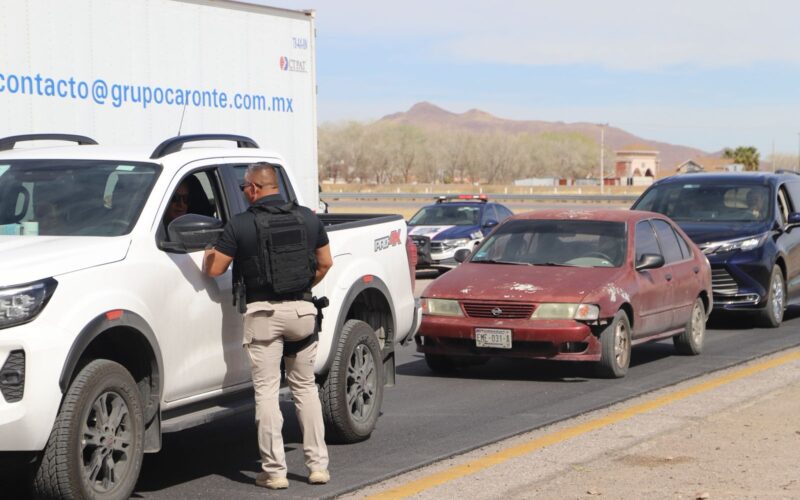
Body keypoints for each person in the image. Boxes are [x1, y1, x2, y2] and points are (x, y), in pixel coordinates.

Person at [203, 162, 333, 490]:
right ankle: (318, 467)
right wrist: (302, 285)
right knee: (305, 389)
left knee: (267, 393)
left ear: (256, 188)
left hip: (263, 317)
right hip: (304, 313)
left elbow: (216, 269)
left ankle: (275, 472)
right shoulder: (308, 217)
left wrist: (208, 254)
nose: (244, 193)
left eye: (244, 188)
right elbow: (326, 263)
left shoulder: (241, 224)